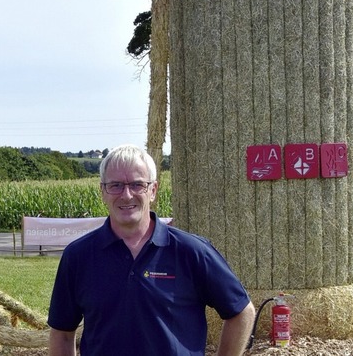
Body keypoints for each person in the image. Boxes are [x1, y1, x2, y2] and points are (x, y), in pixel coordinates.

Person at [48, 144, 255, 356]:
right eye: (116, 185)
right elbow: (62, 333)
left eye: (137, 185)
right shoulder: (78, 256)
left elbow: (241, 313)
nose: (127, 195)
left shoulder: (192, 252)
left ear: (153, 190)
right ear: (103, 191)